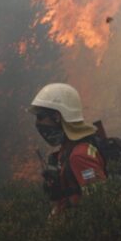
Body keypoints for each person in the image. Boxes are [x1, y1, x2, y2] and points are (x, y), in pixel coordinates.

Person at [29, 83, 106, 213]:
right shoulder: (67, 150)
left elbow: (99, 203)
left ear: (57, 117)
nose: (37, 123)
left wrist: (68, 206)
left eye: (40, 117)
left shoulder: (79, 156)